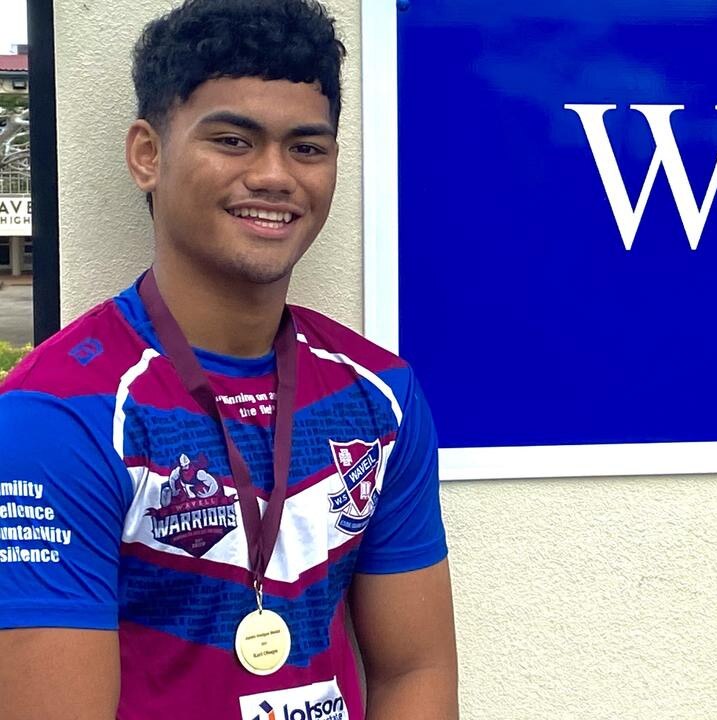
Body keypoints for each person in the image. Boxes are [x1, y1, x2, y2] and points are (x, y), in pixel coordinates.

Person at [0, 1, 457, 718]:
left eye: (307, 147)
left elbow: (414, 674)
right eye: (234, 140)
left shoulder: (381, 394)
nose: (276, 176)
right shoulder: (56, 415)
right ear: (147, 154)